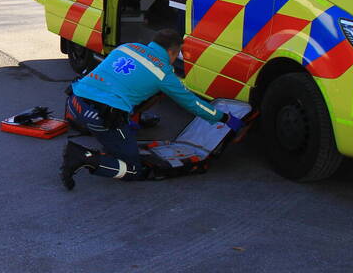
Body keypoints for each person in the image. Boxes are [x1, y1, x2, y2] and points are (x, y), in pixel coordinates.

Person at [59, 28, 244, 190]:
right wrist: (225, 118)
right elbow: (193, 103)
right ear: (173, 52)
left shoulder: (127, 47)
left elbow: (122, 79)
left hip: (75, 103)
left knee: (129, 117)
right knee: (132, 168)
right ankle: (83, 157)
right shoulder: (163, 73)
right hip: (100, 116)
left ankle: (117, 136)